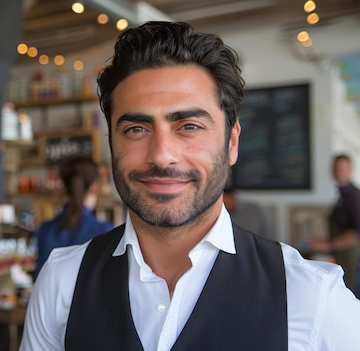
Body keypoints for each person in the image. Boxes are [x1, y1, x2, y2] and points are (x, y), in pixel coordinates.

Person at [20, 21, 360, 351]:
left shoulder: (313, 298)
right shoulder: (61, 281)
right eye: (136, 129)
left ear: (231, 143)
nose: (162, 155)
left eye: (190, 126)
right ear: (112, 143)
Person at [31, 155, 113, 280]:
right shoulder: (105, 232)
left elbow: (39, 278)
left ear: (64, 187)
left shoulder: (45, 229)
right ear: (94, 187)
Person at [309, 154, 360, 294]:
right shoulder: (342, 196)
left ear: (351, 171)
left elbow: (357, 232)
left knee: (350, 293)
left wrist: (330, 244)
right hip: (341, 255)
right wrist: (325, 241)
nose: (339, 173)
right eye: (337, 169)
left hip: (352, 257)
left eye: (343, 169)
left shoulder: (354, 196)